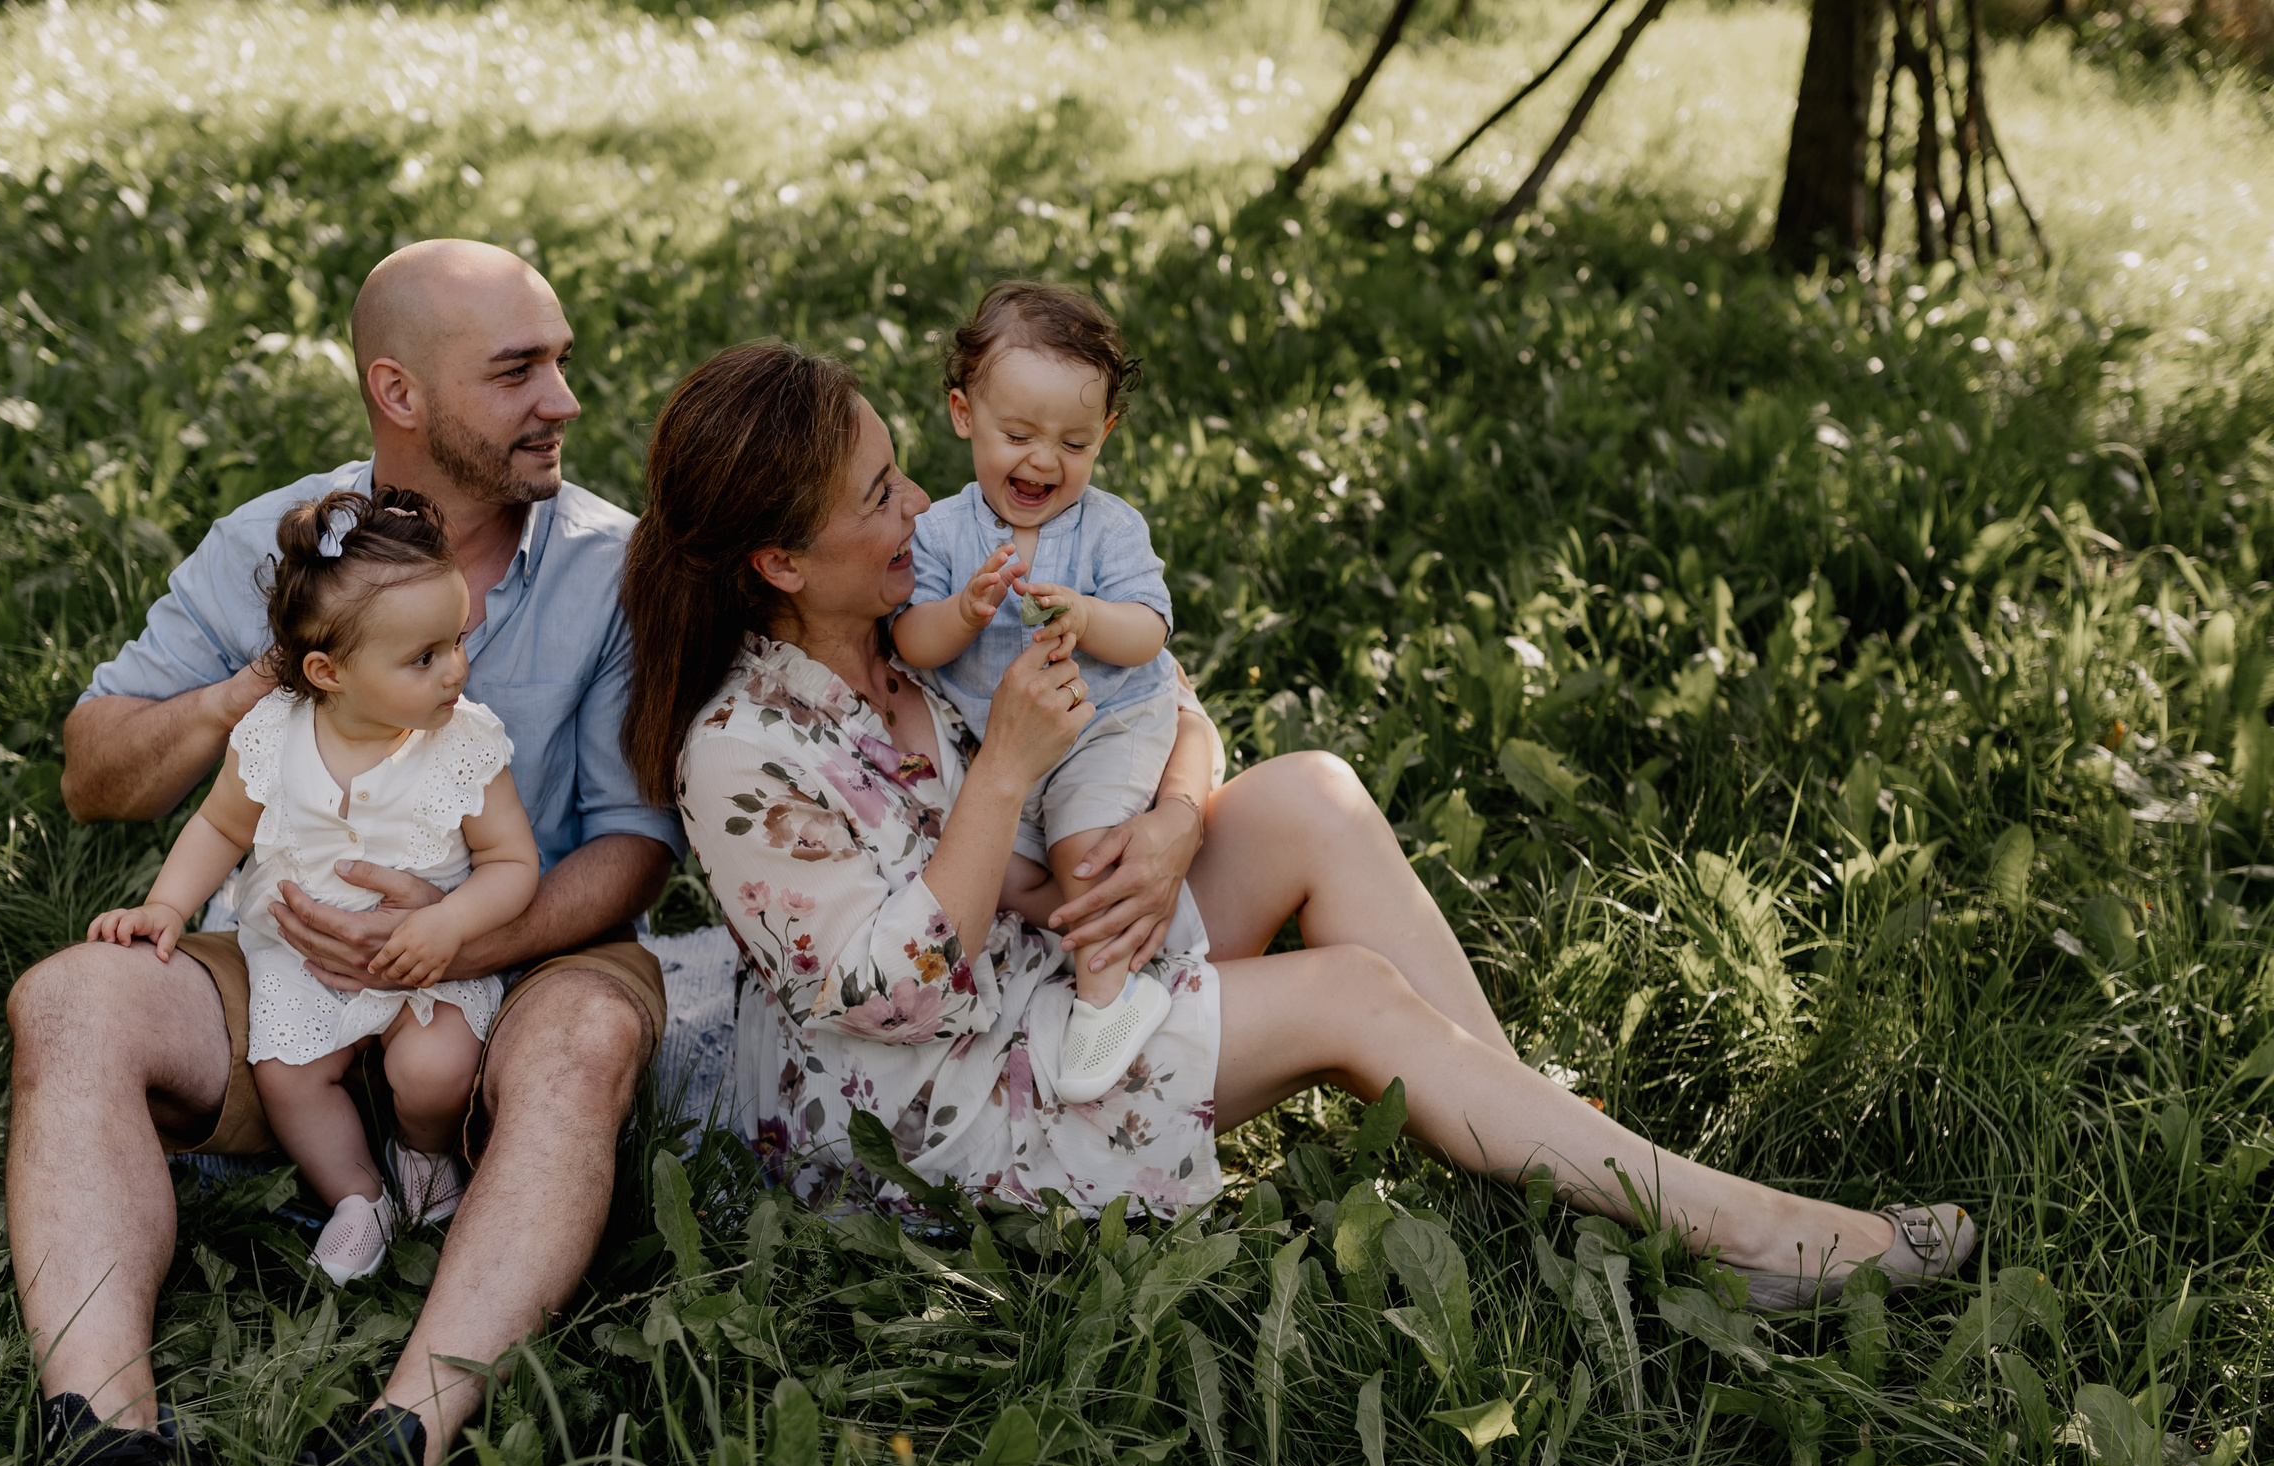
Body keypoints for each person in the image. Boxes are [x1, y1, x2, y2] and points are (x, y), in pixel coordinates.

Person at [621, 339, 1981, 1281]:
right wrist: (1005, 777)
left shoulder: (923, 617)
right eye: (879, 494)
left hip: (1060, 967)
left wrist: (1172, 823)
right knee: (1353, 1000)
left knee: (1315, 795)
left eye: (904, 467)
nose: (922, 500)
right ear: (780, 559)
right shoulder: (744, 749)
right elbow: (892, 997)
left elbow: (1164, 695)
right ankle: (1755, 1238)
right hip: (933, 1105)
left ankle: (1542, 1144)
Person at [0, 240, 682, 1466]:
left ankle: (386, 1465)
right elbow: (96, 775)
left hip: (531, 946)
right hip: (285, 967)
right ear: (398, 391)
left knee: (591, 1037)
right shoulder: (273, 545)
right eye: (518, 371)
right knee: (68, 1001)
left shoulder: (621, 569)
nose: (563, 396)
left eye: (559, 358)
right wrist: (271, 670)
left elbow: (628, 851)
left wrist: (450, 932)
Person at [83, 489, 539, 1286]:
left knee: (434, 1073)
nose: (455, 671)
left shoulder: (465, 741)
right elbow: (221, 828)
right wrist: (165, 906)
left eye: (457, 641)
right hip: (298, 956)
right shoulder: (272, 734)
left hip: (423, 962)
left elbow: (512, 864)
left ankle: (423, 1154)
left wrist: (451, 925)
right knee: (289, 1079)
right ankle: (356, 1197)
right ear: (329, 672)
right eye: (424, 658)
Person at [890, 282, 1182, 1101]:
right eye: (1017, 434)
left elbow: (1150, 632)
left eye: (1075, 442)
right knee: (1009, 881)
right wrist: (965, 611)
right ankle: (1126, 931)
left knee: (1080, 845)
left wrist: (1087, 614)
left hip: (1104, 725)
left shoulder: (1109, 528)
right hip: (1010, 751)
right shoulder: (943, 534)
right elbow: (912, 639)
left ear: (1106, 436)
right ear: (963, 413)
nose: (1044, 462)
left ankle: (1110, 999)